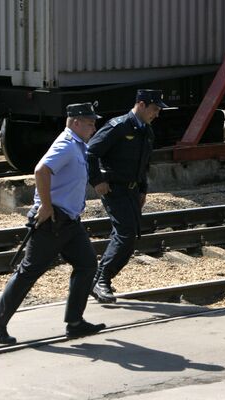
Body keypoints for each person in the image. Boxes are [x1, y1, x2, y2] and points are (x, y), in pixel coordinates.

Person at [0, 103, 106, 344]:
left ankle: (75, 323)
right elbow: (41, 170)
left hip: (70, 221)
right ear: (75, 122)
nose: (94, 127)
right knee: (28, 272)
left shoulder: (78, 145)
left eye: (93, 123)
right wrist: (45, 205)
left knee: (86, 265)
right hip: (54, 221)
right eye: (90, 122)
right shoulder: (65, 144)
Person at [87, 89, 168, 303]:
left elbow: (143, 163)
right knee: (126, 235)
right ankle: (102, 279)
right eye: (154, 109)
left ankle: (97, 280)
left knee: (127, 236)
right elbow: (91, 152)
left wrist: (142, 189)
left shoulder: (146, 131)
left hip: (132, 190)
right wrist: (97, 181)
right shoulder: (119, 126)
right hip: (114, 189)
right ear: (141, 105)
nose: (157, 114)